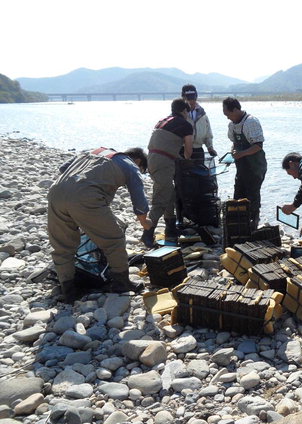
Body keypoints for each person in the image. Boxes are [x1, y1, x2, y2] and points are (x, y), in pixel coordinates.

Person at [47, 147, 152, 303]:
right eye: (143, 170)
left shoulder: (94, 151)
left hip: (56, 192)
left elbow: (63, 168)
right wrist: (145, 222)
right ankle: (122, 284)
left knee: (63, 245)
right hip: (85, 197)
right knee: (114, 240)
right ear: (138, 161)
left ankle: (68, 291)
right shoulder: (130, 165)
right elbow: (138, 198)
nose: (140, 172)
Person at [143, 98, 193, 247]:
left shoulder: (163, 120)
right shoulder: (185, 125)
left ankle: (171, 229)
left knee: (169, 194)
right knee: (160, 199)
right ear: (184, 111)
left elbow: (163, 143)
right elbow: (188, 151)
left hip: (151, 159)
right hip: (164, 163)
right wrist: (187, 160)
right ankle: (147, 234)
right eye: (187, 112)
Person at [222, 97, 267, 230]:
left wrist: (241, 154)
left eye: (228, 114)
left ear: (236, 110)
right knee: (238, 195)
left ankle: (254, 223)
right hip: (241, 166)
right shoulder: (232, 125)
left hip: (255, 166)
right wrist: (233, 152)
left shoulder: (251, 122)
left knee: (252, 194)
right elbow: (234, 143)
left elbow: (258, 146)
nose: (228, 118)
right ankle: (240, 223)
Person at [181, 84, 218, 161]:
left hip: (198, 150)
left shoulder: (203, 114)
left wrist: (210, 147)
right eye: (188, 98)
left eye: (193, 98)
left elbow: (208, 133)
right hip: (182, 150)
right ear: (183, 98)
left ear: (196, 96)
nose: (191, 101)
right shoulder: (178, 115)